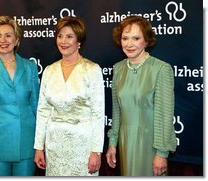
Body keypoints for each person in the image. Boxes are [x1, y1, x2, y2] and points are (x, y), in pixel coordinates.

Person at [106, 15, 177, 176]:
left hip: (151, 144)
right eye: (125, 38)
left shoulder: (161, 69)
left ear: (146, 41)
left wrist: (162, 153)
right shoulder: (118, 69)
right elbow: (117, 112)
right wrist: (112, 143)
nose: (129, 44)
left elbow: (165, 115)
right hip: (125, 142)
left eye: (136, 38)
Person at [33, 16, 105, 176]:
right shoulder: (49, 71)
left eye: (69, 36)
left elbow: (98, 114)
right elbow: (43, 111)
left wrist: (96, 151)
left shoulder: (92, 70)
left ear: (79, 41)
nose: (63, 41)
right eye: (60, 36)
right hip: (55, 145)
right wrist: (39, 147)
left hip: (83, 146)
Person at [0, 15, 39, 176]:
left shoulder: (30, 67)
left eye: (8, 35)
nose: (3, 40)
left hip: (27, 140)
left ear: (17, 40)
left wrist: (40, 142)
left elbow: (36, 105)